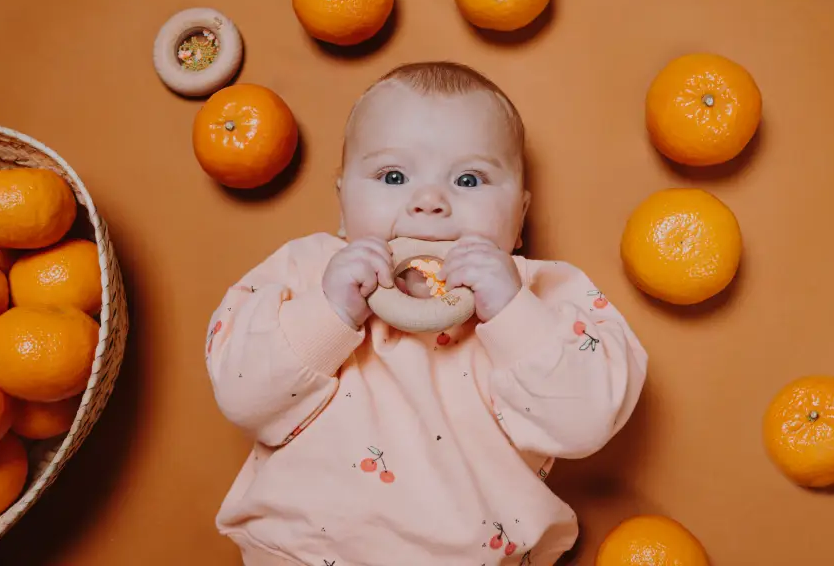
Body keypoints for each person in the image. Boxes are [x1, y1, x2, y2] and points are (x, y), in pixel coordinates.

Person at [205, 61, 648, 565]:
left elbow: (583, 423)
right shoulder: (307, 271)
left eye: (469, 178)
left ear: (519, 217)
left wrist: (510, 313)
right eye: (393, 175)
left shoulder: (543, 294)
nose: (430, 201)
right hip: (301, 552)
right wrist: (327, 314)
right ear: (343, 206)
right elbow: (242, 394)